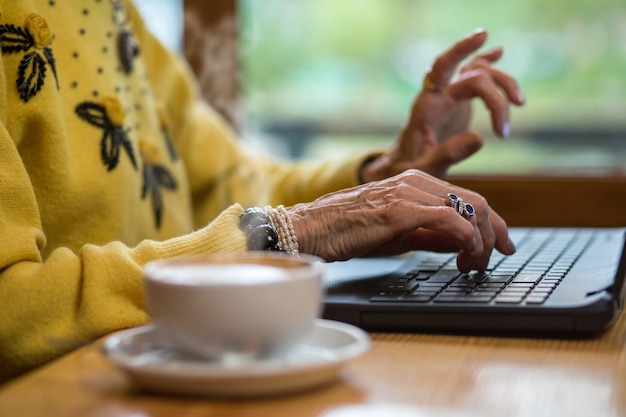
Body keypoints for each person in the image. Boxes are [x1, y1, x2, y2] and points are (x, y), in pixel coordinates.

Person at [0, 0, 525, 382]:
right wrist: (277, 238)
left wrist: (381, 181)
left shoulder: (114, 13)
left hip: (174, 371)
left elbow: (234, 182)